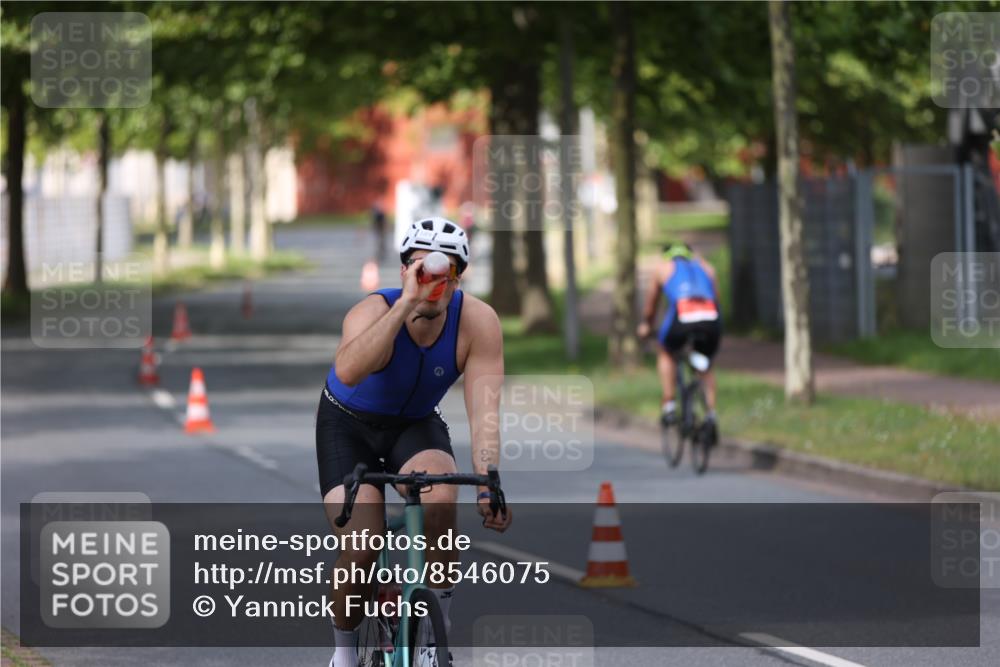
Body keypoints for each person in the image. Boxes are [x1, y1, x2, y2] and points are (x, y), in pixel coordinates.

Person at [317, 217, 511, 667]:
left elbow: (485, 412)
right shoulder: (371, 311)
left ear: (459, 277)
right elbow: (349, 371)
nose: (432, 284)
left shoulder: (478, 322)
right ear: (404, 269)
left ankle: (432, 633)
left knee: (442, 495)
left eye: (444, 275)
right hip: (347, 425)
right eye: (420, 270)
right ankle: (343, 654)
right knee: (364, 542)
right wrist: (403, 306)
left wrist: (488, 482)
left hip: (414, 425)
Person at [637, 241, 722, 432]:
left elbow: (652, 304)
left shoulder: (663, 268)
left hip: (683, 316)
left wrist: (646, 326)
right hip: (711, 318)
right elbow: (717, 299)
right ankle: (710, 415)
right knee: (705, 363)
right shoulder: (707, 267)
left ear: (667, 255)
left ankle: (669, 405)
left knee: (666, 351)